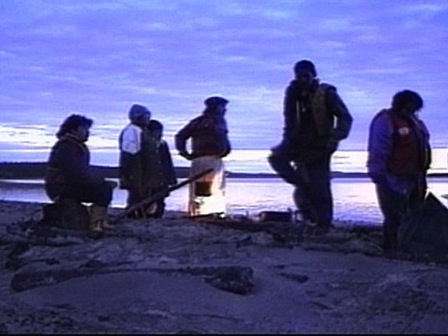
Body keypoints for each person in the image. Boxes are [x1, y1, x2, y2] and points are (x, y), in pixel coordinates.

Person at [268, 59, 353, 233]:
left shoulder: (326, 93)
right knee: (277, 159)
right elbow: (289, 119)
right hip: (297, 143)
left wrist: (335, 137)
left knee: (320, 185)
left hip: (321, 144)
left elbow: (345, 117)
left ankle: (323, 224)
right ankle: (305, 194)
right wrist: (287, 140)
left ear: (313, 75)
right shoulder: (293, 92)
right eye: (299, 76)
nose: (303, 79)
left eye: (306, 76)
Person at [367, 90, 431, 252]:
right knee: (394, 216)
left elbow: (424, 146)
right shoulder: (385, 122)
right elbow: (378, 150)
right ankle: (391, 249)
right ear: (406, 105)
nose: (415, 111)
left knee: (413, 215)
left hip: (416, 177)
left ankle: (409, 247)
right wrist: (379, 176)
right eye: (413, 107)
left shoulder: (416, 123)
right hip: (393, 177)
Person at [45, 114, 116, 231]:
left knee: (105, 187)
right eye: (84, 129)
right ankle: (95, 224)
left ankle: (100, 221)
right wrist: (98, 181)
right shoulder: (67, 147)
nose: (87, 132)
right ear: (73, 129)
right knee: (104, 189)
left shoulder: (75, 145)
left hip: (65, 185)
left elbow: (80, 172)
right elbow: (74, 173)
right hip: (60, 187)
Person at [175, 96, 231, 218]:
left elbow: (180, 136)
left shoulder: (216, 122)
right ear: (216, 107)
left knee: (214, 188)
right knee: (204, 187)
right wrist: (184, 153)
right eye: (222, 107)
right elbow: (180, 136)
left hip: (214, 159)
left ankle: (215, 213)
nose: (224, 109)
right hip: (203, 159)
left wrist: (226, 149)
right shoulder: (202, 122)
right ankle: (203, 214)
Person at [118, 104, 153, 219]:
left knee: (143, 194)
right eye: (145, 116)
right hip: (135, 169)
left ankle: (141, 214)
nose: (148, 118)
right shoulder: (131, 131)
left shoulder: (143, 131)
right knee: (135, 194)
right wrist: (136, 173)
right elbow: (131, 154)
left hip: (143, 169)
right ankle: (132, 215)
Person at [144, 119, 177, 218]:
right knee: (147, 198)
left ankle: (158, 214)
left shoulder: (162, 144)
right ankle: (145, 214)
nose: (160, 133)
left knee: (160, 198)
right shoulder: (144, 144)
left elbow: (167, 161)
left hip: (162, 177)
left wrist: (171, 179)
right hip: (149, 177)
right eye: (157, 131)